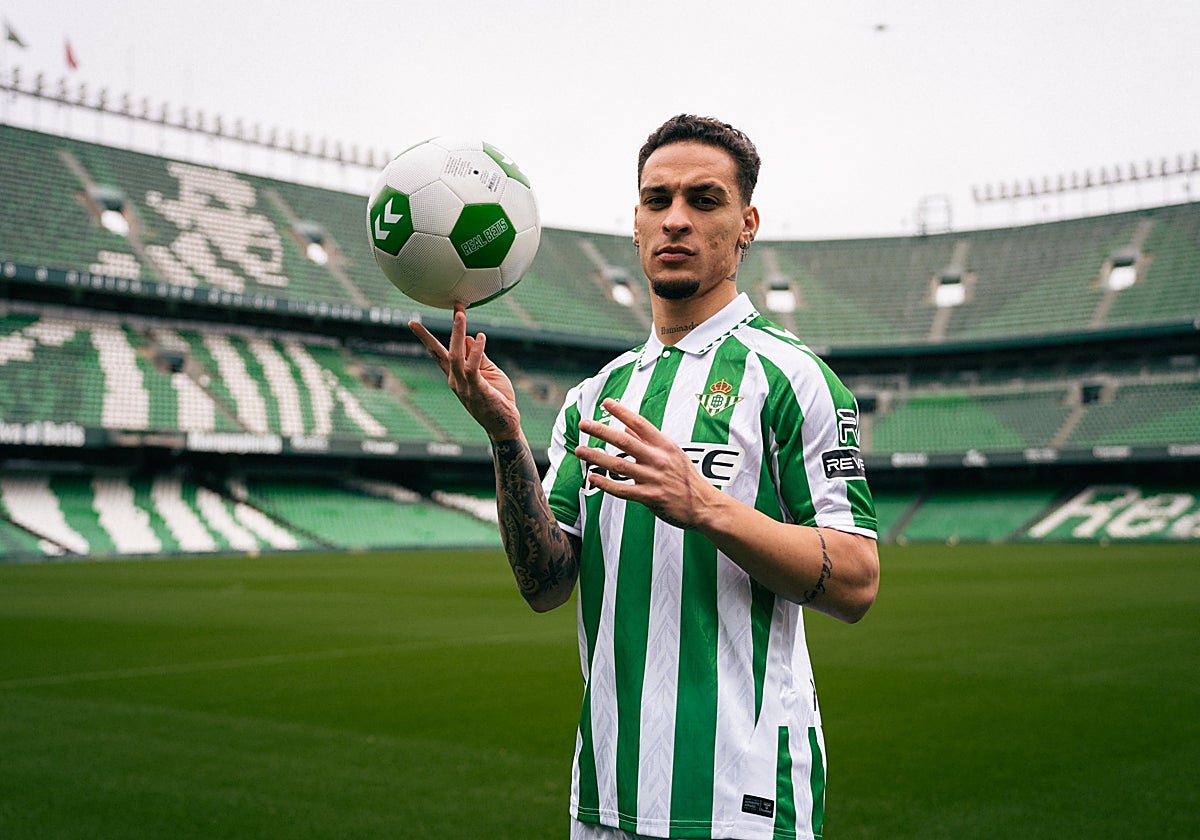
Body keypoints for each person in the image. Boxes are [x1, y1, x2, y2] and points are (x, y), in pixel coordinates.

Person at [409, 114, 879, 840]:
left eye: (704, 200)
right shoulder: (595, 397)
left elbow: (856, 580)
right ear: (634, 224)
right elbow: (546, 585)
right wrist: (507, 440)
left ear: (747, 223)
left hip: (742, 804)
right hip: (604, 801)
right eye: (656, 201)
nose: (676, 220)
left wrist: (707, 506)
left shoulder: (794, 379)